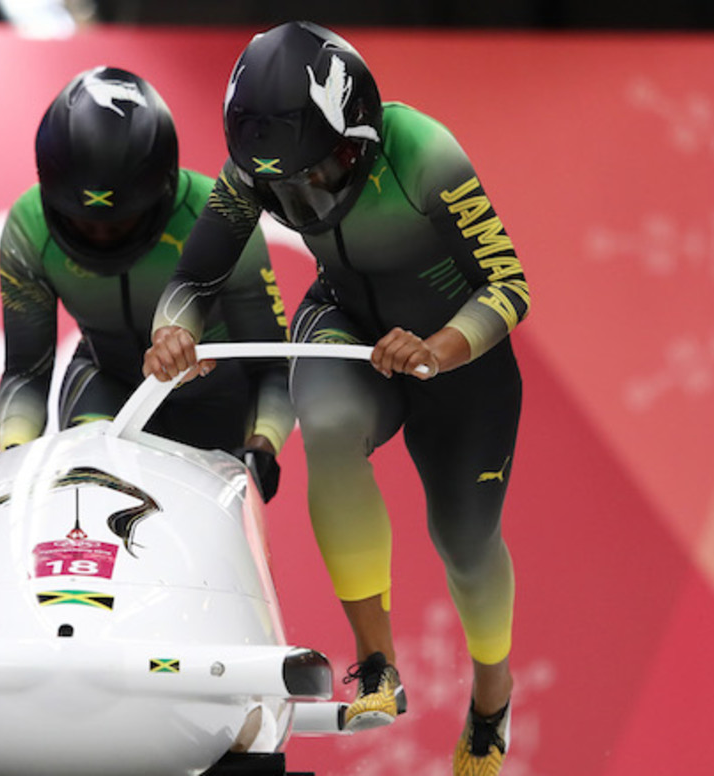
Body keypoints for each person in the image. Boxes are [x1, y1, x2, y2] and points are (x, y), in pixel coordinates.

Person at [143, 22, 529, 776]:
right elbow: (194, 281)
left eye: (317, 174)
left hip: (459, 359)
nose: (301, 197)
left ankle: (492, 693)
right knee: (325, 420)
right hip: (348, 324)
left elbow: (508, 284)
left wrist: (438, 348)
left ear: (360, 137)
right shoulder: (250, 173)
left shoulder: (425, 154)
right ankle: (377, 661)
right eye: (281, 188)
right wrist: (169, 333)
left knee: (464, 542)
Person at [0, 66, 294, 500]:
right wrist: (14, 456)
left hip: (214, 401)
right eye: (82, 223)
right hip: (107, 382)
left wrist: (261, 445)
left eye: (121, 223)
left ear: (164, 192)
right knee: (88, 492)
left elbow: (270, 365)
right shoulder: (28, 228)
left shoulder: (221, 216)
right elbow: (26, 370)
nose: (101, 235)